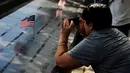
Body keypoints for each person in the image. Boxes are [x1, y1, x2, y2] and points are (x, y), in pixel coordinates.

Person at [55, 3, 130, 73]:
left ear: (90, 25)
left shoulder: (95, 42)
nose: (80, 24)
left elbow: (61, 62)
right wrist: (85, 32)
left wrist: (64, 35)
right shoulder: (115, 32)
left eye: (82, 21)